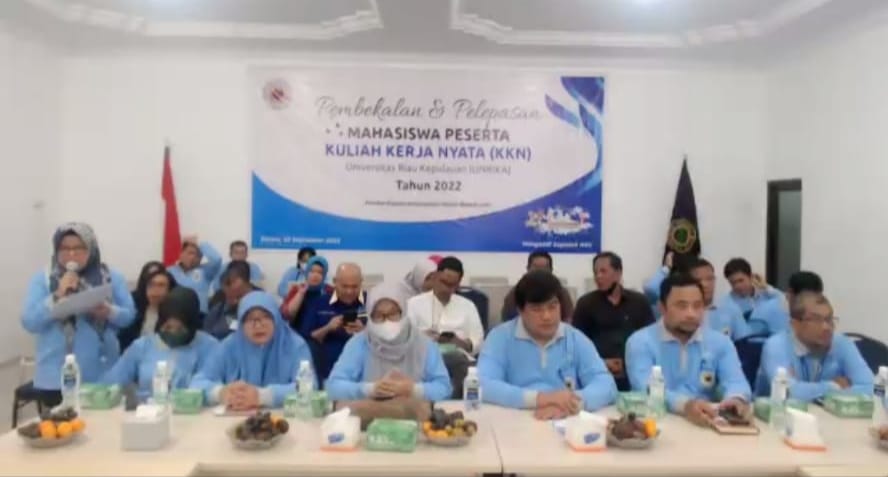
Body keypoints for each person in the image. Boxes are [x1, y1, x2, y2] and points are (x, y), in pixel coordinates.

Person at [21, 223, 136, 407]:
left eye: (79, 248)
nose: (72, 254)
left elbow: (129, 316)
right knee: (61, 424)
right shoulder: (43, 279)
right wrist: (57, 295)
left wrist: (109, 311)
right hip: (56, 377)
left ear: (91, 248)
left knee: (105, 424)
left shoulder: (110, 276)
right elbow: (29, 321)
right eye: (65, 248)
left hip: (102, 373)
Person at [478, 270, 617, 419]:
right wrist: (540, 399)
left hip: (565, 419)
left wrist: (572, 403)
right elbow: (482, 383)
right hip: (514, 419)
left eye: (552, 307)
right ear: (520, 311)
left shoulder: (575, 338)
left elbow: (606, 385)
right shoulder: (500, 337)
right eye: (537, 309)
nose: (547, 316)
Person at [625, 273, 751, 427]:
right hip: (657, 423)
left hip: (705, 424)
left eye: (697, 306)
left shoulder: (720, 342)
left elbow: (736, 380)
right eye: (682, 306)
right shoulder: (640, 341)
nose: (691, 314)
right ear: (662, 308)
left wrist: (735, 399)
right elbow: (643, 386)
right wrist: (685, 405)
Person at [326, 284, 452, 402]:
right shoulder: (359, 343)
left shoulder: (424, 345)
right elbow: (334, 387)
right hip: (369, 414)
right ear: (369, 316)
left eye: (393, 314)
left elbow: (444, 388)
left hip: (415, 413)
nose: (387, 321)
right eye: (378, 315)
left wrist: (414, 390)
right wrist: (369, 389)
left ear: (404, 312)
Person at [191, 291, 315, 410]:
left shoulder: (295, 346)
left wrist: (262, 396)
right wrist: (221, 393)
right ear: (241, 324)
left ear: (276, 319)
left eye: (265, 317)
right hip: (234, 417)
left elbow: (310, 388)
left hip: (284, 418)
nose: (258, 325)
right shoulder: (229, 346)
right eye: (250, 319)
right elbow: (196, 383)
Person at [104, 287, 218, 400]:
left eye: (180, 329)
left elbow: (213, 386)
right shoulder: (142, 346)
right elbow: (112, 382)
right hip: (148, 408)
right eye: (168, 327)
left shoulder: (209, 347)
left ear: (191, 325)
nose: (173, 333)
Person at [755, 292, 872, 401]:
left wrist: (810, 392)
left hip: (825, 414)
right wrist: (833, 386)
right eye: (816, 320)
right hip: (777, 413)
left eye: (829, 319)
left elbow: (868, 387)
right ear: (795, 324)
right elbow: (787, 392)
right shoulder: (776, 346)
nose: (826, 327)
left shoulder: (841, 343)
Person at [572, 252, 655, 391]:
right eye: (596, 272)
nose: (598, 277)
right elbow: (577, 344)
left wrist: (628, 363)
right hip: (598, 372)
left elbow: (651, 339)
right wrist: (603, 363)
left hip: (634, 372)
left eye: (603, 271)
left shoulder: (639, 302)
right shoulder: (585, 304)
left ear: (618, 273)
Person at [407, 256, 485, 397]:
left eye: (451, 285)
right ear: (436, 276)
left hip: (459, 358)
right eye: (443, 282)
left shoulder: (468, 306)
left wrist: (460, 342)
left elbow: (478, 342)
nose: (446, 288)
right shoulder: (414, 303)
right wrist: (425, 336)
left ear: (458, 284)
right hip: (426, 357)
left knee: (461, 363)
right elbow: (407, 336)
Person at [644, 257, 750, 340]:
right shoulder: (674, 308)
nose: (705, 284)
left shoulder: (730, 309)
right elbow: (650, 289)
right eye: (698, 280)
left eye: (710, 279)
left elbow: (745, 344)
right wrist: (666, 268)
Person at [302, 263, 367, 381]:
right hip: (327, 370)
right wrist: (327, 328)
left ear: (361, 283)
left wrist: (365, 332)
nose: (349, 291)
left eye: (354, 287)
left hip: (364, 371)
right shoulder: (319, 303)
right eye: (344, 286)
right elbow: (307, 339)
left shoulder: (371, 303)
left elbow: (385, 339)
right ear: (335, 282)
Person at [118, 261, 177, 351]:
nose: (155, 290)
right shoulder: (135, 309)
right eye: (151, 285)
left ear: (169, 289)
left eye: (161, 285)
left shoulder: (176, 314)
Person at [501, 250, 573, 322]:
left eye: (544, 268)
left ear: (551, 270)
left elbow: (568, 320)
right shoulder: (516, 293)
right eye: (536, 267)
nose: (540, 271)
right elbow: (508, 321)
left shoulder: (561, 292)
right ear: (528, 269)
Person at [748, 271, 823, 338]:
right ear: (791, 293)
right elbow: (751, 342)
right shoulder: (763, 311)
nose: (812, 304)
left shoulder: (819, 315)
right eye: (807, 299)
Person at [720, 257, 785, 335]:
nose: (737, 286)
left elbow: (787, 304)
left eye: (740, 280)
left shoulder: (767, 293)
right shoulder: (727, 303)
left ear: (751, 277)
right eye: (733, 283)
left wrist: (766, 287)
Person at [203, 261, 261, 340]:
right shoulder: (218, 308)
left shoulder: (262, 303)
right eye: (230, 297)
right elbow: (208, 334)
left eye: (239, 296)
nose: (235, 301)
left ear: (248, 286)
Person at [167, 235, 222, 315]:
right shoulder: (169, 271)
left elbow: (217, 259)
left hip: (199, 315)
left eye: (198, 255)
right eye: (190, 253)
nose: (193, 257)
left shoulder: (205, 271)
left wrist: (199, 243)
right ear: (181, 254)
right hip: (175, 314)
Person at [281, 255, 333, 335]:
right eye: (311, 271)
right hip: (297, 335)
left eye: (320, 272)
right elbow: (287, 315)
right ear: (306, 272)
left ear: (324, 275)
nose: (315, 275)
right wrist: (301, 293)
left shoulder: (329, 290)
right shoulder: (297, 289)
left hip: (323, 335)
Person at [373, 258, 438, 306]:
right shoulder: (402, 292)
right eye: (428, 278)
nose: (433, 283)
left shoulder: (422, 291)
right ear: (420, 278)